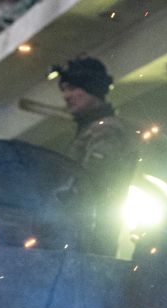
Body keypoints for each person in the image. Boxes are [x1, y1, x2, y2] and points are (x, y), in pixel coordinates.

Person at [54, 56, 139, 251]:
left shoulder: (106, 129)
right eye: (65, 89)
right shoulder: (92, 129)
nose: (66, 96)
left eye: (74, 88)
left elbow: (91, 181)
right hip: (82, 233)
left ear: (92, 88)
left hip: (89, 236)